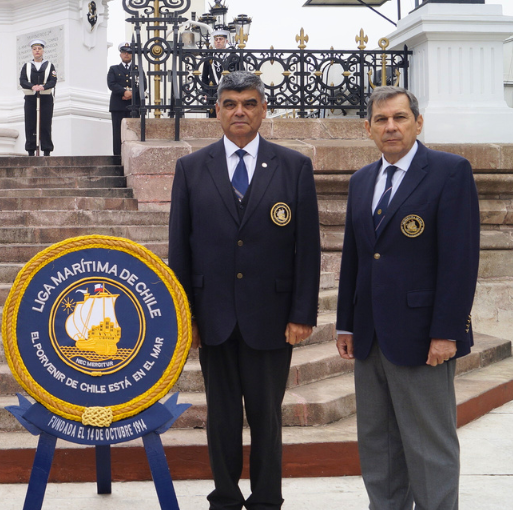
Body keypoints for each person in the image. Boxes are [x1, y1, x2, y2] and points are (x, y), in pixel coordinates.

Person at [168, 70, 320, 510]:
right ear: (216, 111)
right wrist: (186, 317)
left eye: (249, 103)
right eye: (230, 104)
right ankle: (226, 498)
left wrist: (302, 313)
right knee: (222, 418)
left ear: (263, 110)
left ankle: (268, 499)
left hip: (272, 318)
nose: (240, 111)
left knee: (267, 417)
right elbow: (181, 250)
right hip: (213, 318)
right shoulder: (192, 168)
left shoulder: (293, 167)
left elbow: (306, 249)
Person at [335, 86, 480, 510]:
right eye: (381, 120)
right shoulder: (363, 180)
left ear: (418, 123)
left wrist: (446, 332)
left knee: (428, 447)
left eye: (399, 118)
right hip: (370, 336)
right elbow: (356, 257)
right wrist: (346, 322)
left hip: (423, 338)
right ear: (368, 129)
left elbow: (460, 259)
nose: (391, 127)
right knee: (378, 444)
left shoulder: (449, 172)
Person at [20, 39, 57, 156]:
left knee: (45, 124)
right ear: (32, 51)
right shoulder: (26, 66)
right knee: (30, 124)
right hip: (31, 98)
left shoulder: (50, 65)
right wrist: (33, 86)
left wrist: (43, 87)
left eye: (39, 49)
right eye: (35, 49)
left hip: (45, 98)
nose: (37, 51)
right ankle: (30, 151)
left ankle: (46, 151)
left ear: (43, 51)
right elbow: (22, 80)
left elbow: (53, 80)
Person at [107, 42, 141, 157]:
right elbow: (111, 84)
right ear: (120, 54)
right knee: (118, 132)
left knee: (134, 132)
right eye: (124, 52)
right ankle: (117, 155)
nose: (126, 54)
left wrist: (132, 93)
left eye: (129, 52)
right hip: (118, 105)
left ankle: (133, 155)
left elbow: (143, 85)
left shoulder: (137, 69)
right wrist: (124, 92)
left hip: (133, 105)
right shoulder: (114, 69)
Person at [201, 29, 236, 118]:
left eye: (221, 39)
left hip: (229, 90)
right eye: (216, 40)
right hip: (212, 93)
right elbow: (204, 77)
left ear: (226, 41)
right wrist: (205, 92)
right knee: (213, 116)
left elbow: (240, 74)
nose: (218, 41)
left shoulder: (232, 57)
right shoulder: (209, 57)